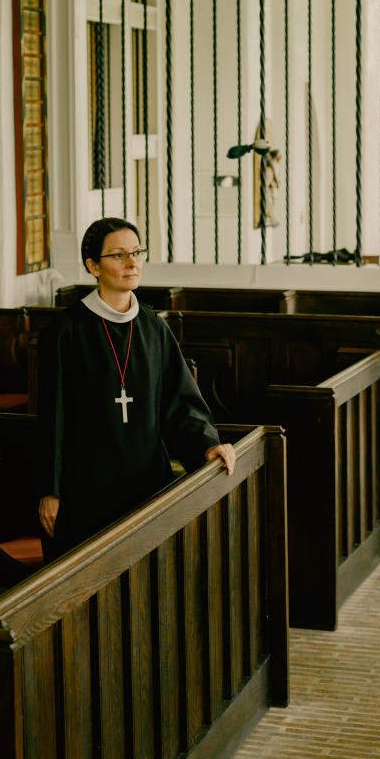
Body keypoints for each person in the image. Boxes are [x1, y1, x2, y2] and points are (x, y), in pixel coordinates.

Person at [35, 217, 235, 559]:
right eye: (119, 255)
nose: (132, 263)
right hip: (85, 488)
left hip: (147, 485)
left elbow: (181, 402)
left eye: (137, 252)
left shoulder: (153, 328)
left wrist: (207, 446)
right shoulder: (66, 331)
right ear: (93, 266)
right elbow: (52, 416)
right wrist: (49, 490)